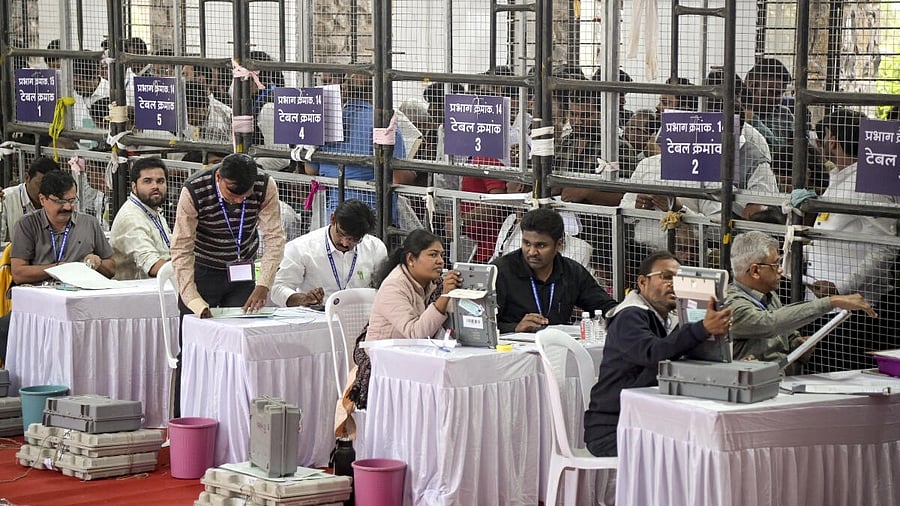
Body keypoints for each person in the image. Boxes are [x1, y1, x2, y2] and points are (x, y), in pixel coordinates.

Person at [583, 251, 733, 457]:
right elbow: (654, 353)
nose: (673, 284)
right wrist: (702, 329)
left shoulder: (668, 319)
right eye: (666, 276)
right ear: (642, 282)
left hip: (644, 422)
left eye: (678, 279)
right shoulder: (629, 316)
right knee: (689, 452)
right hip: (613, 429)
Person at [804, 108, 898, 371]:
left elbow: (886, 248)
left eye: (819, 137)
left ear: (831, 140)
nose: (817, 144)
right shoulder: (839, 179)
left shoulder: (865, 185)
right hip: (825, 306)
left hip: (851, 312)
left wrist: (843, 287)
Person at [727, 231, 876, 374]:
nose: (780, 270)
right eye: (776, 264)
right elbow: (769, 323)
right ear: (755, 271)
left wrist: (796, 344)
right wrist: (831, 302)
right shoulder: (732, 304)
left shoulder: (768, 295)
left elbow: (784, 333)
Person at [171, 153, 285, 318]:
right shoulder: (193, 189)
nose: (239, 200)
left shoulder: (265, 184)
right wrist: (193, 299)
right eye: (232, 192)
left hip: (243, 269)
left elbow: (274, 238)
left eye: (245, 194)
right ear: (219, 177)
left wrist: (264, 284)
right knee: (197, 332)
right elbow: (181, 247)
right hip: (203, 269)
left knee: (241, 327)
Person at [493, 208, 618, 333]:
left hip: (556, 346)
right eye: (527, 243)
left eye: (541, 245)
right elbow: (480, 324)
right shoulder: (499, 271)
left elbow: (606, 307)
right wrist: (515, 327)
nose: (532, 252)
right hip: (509, 349)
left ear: (558, 245)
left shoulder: (572, 271)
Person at [304, 73, 407, 216]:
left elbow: (311, 169)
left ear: (346, 89)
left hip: (331, 213)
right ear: (378, 92)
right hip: (370, 213)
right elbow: (398, 178)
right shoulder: (383, 124)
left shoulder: (327, 120)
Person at [271, 199, 387, 307]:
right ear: (332, 219)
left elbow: (385, 288)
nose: (345, 243)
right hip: (316, 319)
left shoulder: (375, 248)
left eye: (354, 240)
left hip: (361, 316)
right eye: (340, 234)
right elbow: (278, 289)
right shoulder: (300, 248)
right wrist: (304, 300)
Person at [10, 170, 115, 284]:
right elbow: (18, 274)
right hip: (40, 295)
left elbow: (111, 269)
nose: (68, 207)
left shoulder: (89, 223)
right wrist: (59, 269)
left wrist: (98, 263)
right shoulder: (27, 225)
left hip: (81, 295)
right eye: (60, 201)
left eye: (72, 200)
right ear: (42, 199)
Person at [366, 229, 461, 340]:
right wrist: (445, 296)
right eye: (433, 255)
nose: (440, 261)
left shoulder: (435, 283)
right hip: (382, 353)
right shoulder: (393, 287)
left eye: (441, 255)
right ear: (411, 259)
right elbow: (414, 334)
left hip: (416, 350)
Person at [109, 157, 172, 280]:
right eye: (147, 181)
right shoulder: (131, 218)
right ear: (134, 187)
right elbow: (152, 265)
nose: (155, 186)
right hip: (134, 293)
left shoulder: (152, 209)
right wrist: (187, 271)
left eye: (160, 181)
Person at [0, 156, 59, 246]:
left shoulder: (60, 201)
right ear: (27, 178)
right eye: (40, 185)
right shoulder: (5, 199)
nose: (45, 192)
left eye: (50, 187)